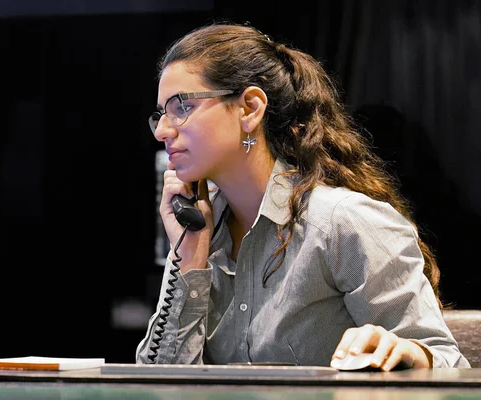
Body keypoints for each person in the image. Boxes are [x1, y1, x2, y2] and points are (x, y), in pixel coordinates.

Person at [136, 21, 470, 370]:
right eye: (160, 114)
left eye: (181, 108)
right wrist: (189, 263)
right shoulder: (198, 234)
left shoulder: (343, 223)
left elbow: (450, 364)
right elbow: (160, 386)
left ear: (250, 108)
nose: (162, 130)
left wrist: (409, 353)